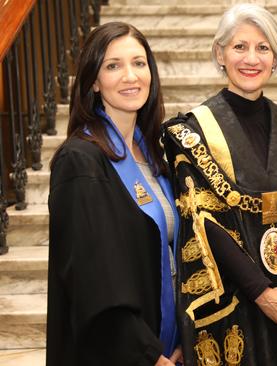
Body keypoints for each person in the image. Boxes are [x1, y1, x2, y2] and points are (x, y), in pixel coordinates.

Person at [161, 4, 277, 365]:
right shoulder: (194, 132)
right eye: (239, 47)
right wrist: (262, 293)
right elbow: (204, 221)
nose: (251, 58)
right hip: (237, 301)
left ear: (276, 57)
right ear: (220, 53)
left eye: (263, 47)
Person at [47, 22, 181, 365]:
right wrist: (150, 356)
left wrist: (180, 343)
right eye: (113, 66)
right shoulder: (80, 163)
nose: (130, 76)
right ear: (94, 80)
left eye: (139, 63)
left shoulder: (154, 157)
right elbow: (93, 284)